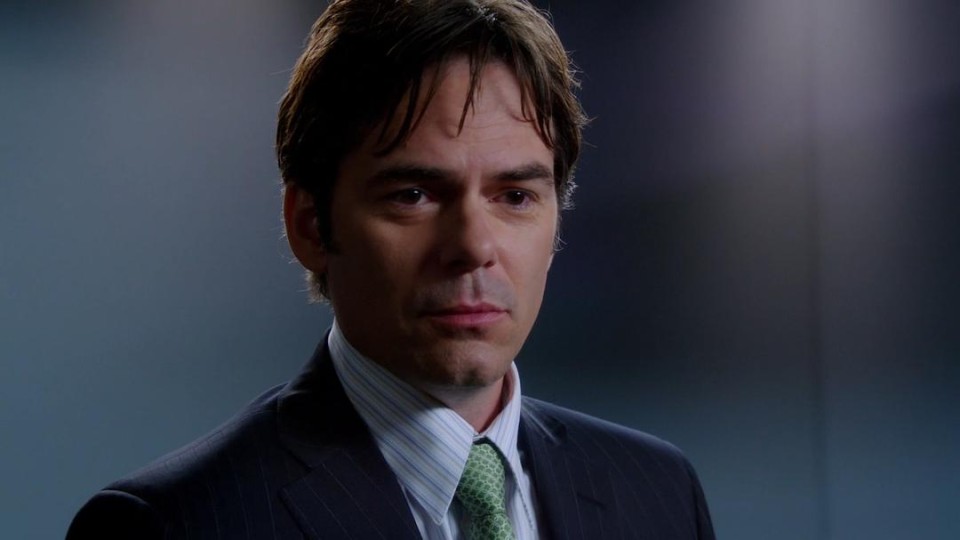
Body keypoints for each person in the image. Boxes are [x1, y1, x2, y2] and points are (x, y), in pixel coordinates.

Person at [67, 0, 715, 538]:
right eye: (414, 195)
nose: (473, 246)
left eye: (515, 197)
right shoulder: (172, 524)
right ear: (310, 226)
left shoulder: (658, 494)